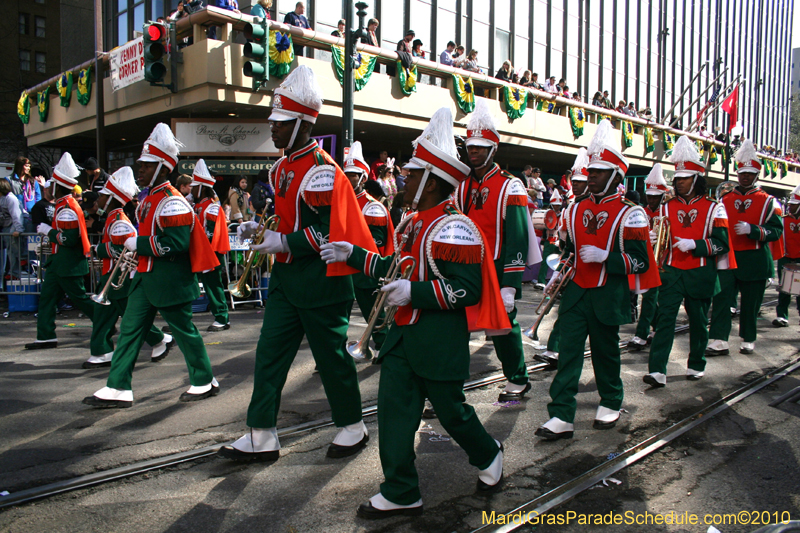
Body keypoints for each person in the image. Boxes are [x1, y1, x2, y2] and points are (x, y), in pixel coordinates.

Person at [320, 107, 506, 518]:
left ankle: (488, 451)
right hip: (404, 338)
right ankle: (402, 490)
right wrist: (354, 255)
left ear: (432, 182)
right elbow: (393, 271)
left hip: (439, 342)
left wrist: (415, 292)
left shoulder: (455, 226)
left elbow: (466, 290)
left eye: (413, 173)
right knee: (394, 412)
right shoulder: (412, 222)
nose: (404, 177)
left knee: (453, 414)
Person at [217, 66, 376, 462]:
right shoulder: (283, 166)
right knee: (268, 356)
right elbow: (291, 221)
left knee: (332, 361)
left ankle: (353, 426)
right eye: (274, 121)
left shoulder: (323, 171)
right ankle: (261, 433)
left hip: (322, 282)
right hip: (289, 280)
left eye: (281, 122)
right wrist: (262, 228)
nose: (273, 128)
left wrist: (282, 240)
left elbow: (330, 234)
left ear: (303, 123)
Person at [83, 123, 221, 408]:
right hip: (145, 277)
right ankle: (118, 386)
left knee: (184, 331)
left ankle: (204, 379)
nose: (140, 169)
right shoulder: (151, 199)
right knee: (131, 331)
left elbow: (177, 243)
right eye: (141, 164)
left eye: (146, 165)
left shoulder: (172, 201)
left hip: (169, 278)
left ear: (162, 167)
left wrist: (139, 246)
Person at [535, 120, 652, 440]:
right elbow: (569, 252)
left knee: (606, 353)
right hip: (575, 294)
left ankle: (611, 400)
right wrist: (557, 274)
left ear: (615, 174)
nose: (592, 175)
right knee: (568, 354)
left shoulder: (632, 213)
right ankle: (561, 414)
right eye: (592, 170)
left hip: (607, 294)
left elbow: (640, 261)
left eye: (599, 171)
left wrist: (607, 258)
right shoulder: (573, 210)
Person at [454, 99, 534, 402]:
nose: (472, 152)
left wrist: (510, 284)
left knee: (502, 328)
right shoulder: (461, 184)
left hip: (498, 266)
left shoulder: (511, 186)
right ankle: (451, 385)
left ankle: (518, 378)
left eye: (479, 148)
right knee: (454, 328)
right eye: (470, 147)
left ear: (492, 149)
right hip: (465, 266)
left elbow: (517, 237)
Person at [643, 137, 731, 387]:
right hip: (671, 272)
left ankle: (696, 363)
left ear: (695, 179)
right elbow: (660, 237)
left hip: (700, 273)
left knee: (699, 322)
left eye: (683, 178)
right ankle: (657, 370)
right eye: (677, 178)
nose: (678, 182)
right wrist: (653, 237)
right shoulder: (665, 207)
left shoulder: (716, 208)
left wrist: (696, 245)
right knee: (665, 322)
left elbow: (722, 244)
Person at [83, 167, 175, 369]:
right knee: (103, 314)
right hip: (112, 274)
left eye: (102, 196)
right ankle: (102, 351)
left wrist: (98, 249)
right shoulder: (112, 219)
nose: (97, 200)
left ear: (110, 200)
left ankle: (159, 339)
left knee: (130, 319)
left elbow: (124, 249)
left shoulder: (119, 222)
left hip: (120, 276)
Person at [706, 139, 783, 355]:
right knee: (721, 299)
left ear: (756, 175)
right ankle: (719, 339)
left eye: (749, 173)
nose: (745, 177)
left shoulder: (770, 201)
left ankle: (748, 338)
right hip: (729, 258)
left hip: (755, 259)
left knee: (750, 304)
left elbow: (777, 231)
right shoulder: (725, 199)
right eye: (742, 173)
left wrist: (754, 230)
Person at [25, 153, 96, 350]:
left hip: (68, 263)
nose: (49, 188)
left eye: (52, 184)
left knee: (80, 299)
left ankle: (103, 321)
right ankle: (45, 335)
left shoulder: (66, 207)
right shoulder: (65, 204)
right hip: (61, 263)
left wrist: (49, 231)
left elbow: (69, 239)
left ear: (60, 185)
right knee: (47, 298)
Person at [536, 148, 590, 366]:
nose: (574, 184)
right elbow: (566, 247)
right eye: (573, 181)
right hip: (574, 270)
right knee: (565, 311)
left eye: (580, 181)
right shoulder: (570, 210)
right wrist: (558, 272)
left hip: (599, 274)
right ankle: (554, 350)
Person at [342, 141, 394, 360]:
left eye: (353, 175)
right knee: (336, 316)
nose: (348, 178)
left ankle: (386, 350)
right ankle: (334, 353)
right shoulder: (339, 201)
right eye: (346, 174)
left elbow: (377, 242)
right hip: (340, 267)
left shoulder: (372, 206)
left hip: (364, 268)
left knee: (373, 314)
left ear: (363, 178)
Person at [628, 164, 668, 350]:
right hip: (645, 259)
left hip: (663, 261)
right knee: (649, 296)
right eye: (649, 196)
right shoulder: (641, 212)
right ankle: (658, 326)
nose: (651, 200)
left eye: (655, 197)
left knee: (650, 297)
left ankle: (641, 334)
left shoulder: (667, 213)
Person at [190, 159, 232, 332]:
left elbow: (210, 234)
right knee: (193, 285)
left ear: (201, 187)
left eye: (194, 186)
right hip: (200, 252)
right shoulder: (200, 206)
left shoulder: (212, 208)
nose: (191, 189)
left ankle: (222, 318)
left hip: (211, 253)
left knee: (213, 286)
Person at [774, 184, 800, 327]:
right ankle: (782, 316)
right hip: (786, 257)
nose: (791, 207)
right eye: (790, 204)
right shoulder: (783, 219)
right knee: (784, 288)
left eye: (794, 205)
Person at [535, 189, 561, 290]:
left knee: (560, 263)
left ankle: (558, 283)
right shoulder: (547, 215)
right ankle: (541, 281)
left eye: (558, 204)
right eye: (555, 204)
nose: (556, 206)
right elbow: (543, 228)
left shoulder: (563, 214)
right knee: (544, 262)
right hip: (549, 241)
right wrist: (542, 240)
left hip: (559, 242)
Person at [0, 179, 24, 281]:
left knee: (12, 251)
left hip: (12, 227)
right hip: (4, 227)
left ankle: (14, 272)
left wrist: (18, 229)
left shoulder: (10, 199)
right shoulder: (1, 198)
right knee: (8, 251)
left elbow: (16, 215)